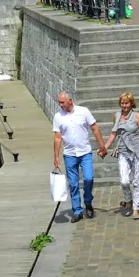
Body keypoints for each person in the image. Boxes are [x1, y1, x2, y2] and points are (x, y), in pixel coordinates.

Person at [52, 90, 105, 222]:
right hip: (69, 154)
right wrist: (56, 156)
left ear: (70, 101)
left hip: (85, 152)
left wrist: (102, 145)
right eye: (59, 102)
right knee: (73, 184)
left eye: (62, 102)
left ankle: (88, 202)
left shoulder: (83, 111)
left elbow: (94, 128)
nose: (60, 104)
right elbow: (58, 137)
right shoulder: (58, 117)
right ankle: (77, 210)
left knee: (88, 178)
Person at [104, 92, 139, 219]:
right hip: (123, 152)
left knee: (136, 182)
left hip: (138, 152)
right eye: (122, 103)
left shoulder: (137, 116)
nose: (124, 105)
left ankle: (136, 209)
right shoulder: (117, 116)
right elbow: (113, 134)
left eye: (126, 103)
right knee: (124, 181)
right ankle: (128, 201)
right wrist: (104, 148)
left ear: (131, 104)